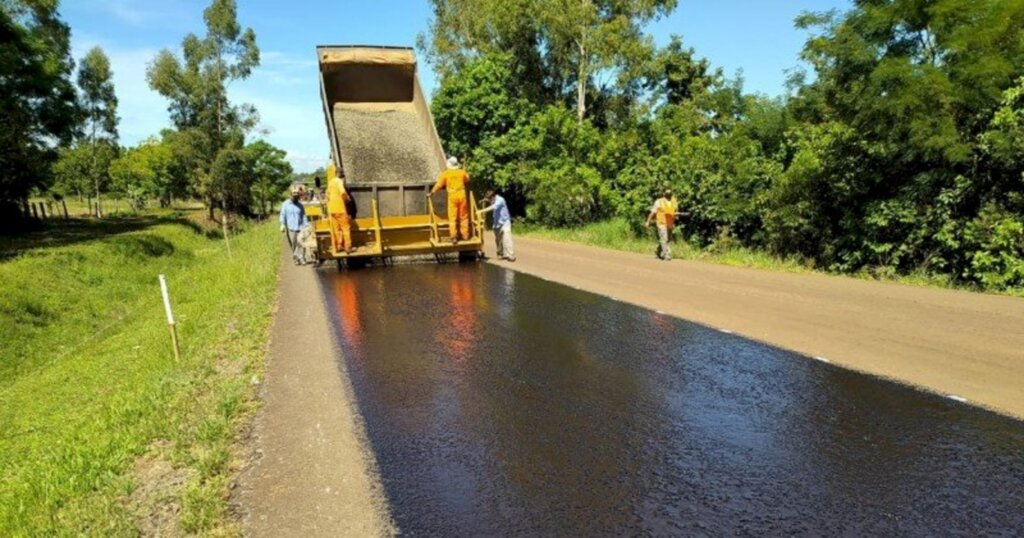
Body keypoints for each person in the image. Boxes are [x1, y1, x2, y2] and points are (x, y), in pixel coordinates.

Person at [430, 156, 471, 244]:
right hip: (462, 195)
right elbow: (467, 179)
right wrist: (465, 172)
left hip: (452, 196)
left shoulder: (446, 173)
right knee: (464, 216)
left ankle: (453, 237)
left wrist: (432, 192)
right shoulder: (461, 172)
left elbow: (439, 184)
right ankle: (465, 235)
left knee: (452, 217)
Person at [479, 189, 516, 262]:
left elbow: (493, 207)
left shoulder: (500, 200)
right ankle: (500, 253)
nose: (490, 201)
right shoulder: (492, 199)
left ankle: (510, 256)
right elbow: (487, 200)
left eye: (490, 199)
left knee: (507, 238)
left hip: (505, 222)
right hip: (497, 223)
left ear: (493, 196)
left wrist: (481, 211)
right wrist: (483, 200)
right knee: (498, 240)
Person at [645, 188, 681, 261]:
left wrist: (676, 216)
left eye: (670, 192)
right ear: (663, 193)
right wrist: (648, 221)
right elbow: (653, 212)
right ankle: (666, 255)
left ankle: (657, 251)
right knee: (664, 238)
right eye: (667, 192)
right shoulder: (659, 202)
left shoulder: (674, 201)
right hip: (661, 223)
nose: (668, 194)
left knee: (667, 239)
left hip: (670, 223)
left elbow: (676, 211)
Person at [325, 162, 354, 253]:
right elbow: (343, 193)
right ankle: (348, 247)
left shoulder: (330, 183)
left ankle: (339, 246)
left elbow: (327, 195)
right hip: (340, 209)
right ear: (340, 173)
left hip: (331, 210)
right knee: (345, 228)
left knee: (336, 229)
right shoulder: (338, 181)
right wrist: (347, 200)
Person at [280, 186, 309, 265]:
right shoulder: (285, 204)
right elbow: (283, 215)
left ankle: (302, 258)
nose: (295, 196)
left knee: (301, 243)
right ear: (290, 195)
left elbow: (303, 216)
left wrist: (306, 225)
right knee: (294, 244)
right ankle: (296, 258)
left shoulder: (300, 205)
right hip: (291, 228)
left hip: (300, 227)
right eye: (294, 195)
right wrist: (282, 224)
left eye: (297, 195)